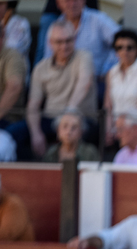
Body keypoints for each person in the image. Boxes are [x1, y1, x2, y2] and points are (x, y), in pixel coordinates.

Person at [12, 20, 95, 160]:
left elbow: (84, 84)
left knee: (76, 131)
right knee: (13, 135)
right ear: (50, 43)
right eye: (59, 42)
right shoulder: (41, 67)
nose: (64, 46)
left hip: (81, 119)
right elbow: (33, 104)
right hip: (51, 119)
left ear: (74, 39)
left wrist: (69, 112)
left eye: (68, 40)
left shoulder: (84, 57)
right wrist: (36, 133)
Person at [40, 0, 119, 77]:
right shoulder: (55, 28)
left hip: (97, 80)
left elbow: (123, 41)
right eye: (67, 1)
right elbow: (48, 58)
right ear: (58, 3)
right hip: (64, 82)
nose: (72, 4)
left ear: (84, 1)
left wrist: (108, 69)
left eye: (76, 0)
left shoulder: (98, 20)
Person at [104, 30, 137, 142]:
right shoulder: (111, 73)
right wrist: (109, 128)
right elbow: (108, 106)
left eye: (130, 47)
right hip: (117, 127)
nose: (125, 51)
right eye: (120, 47)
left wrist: (121, 129)